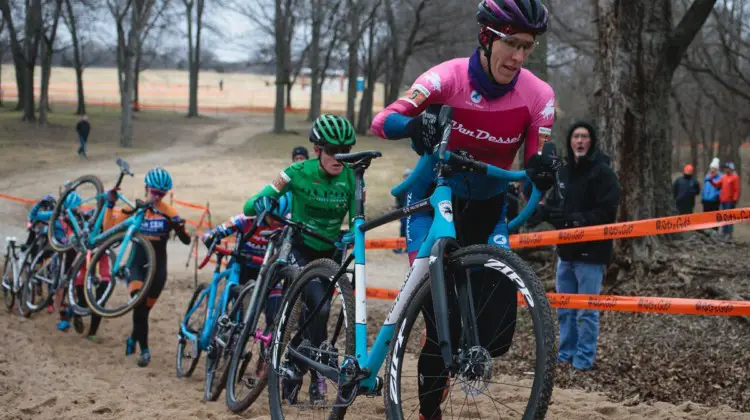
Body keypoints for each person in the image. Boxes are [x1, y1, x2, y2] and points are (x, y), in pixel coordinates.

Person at [370, 1, 559, 418]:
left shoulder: (538, 95)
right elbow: (382, 121)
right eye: (511, 43)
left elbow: (533, 160)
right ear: (486, 38)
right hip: (432, 202)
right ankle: (426, 411)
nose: (519, 57)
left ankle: (461, 360)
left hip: (490, 207)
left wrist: (545, 171)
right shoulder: (446, 77)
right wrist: (414, 124)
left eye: (527, 46)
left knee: (497, 325)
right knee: (443, 320)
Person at [243, 114, 358, 405]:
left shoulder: (352, 176)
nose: (339, 157)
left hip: (331, 251)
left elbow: (359, 217)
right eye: (333, 150)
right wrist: (263, 202)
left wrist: (354, 232)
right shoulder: (295, 171)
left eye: (346, 150)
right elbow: (250, 205)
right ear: (318, 149)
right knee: (318, 312)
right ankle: (301, 367)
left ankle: (295, 368)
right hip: (301, 246)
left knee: (316, 315)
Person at [530, 121, 620, 371]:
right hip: (565, 252)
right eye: (575, 136)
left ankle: (583, 359)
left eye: (584, 136)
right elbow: (558, 206)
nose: (580, 141)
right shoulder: (564, 172)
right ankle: (566, 354)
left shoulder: (604, 173)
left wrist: (577, 220)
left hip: (592, 253)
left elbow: (607, 210)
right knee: (564, 308)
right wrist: (544, 213)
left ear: (591, 141)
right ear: (570, 142)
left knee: (587, 311)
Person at [103, 167, 191, 367]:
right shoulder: (136, 208)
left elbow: (186, 240)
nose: (157, 197)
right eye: (154, 192)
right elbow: (108, 229)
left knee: (143, 311)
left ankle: (133, 339)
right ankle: (144, 350)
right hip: (136, 263)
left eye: (162, 194)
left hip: (158, 267)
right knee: (138, 304)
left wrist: (179, 228)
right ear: (146, 188)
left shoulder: (169, 212)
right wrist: (110, 204)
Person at [201, 192, 292, 330]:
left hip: (266, 268)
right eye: (271, 218)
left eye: (279, 219)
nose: (274, 223)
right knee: (238, 310)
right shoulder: (246, 219)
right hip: (241, 265)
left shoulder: (286, 224)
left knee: (275, 308)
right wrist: (211, 237)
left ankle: (269, 344)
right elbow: (218, 230)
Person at [709, 162, 741, 240]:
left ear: (731, 169)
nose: (725, 169)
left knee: (729, 218)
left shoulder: (735, 177)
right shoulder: (724, 177)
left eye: (727, 168)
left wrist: (735, 199)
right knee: (723, 217)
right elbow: (717, 185)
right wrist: (711, 181)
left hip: (730, 201)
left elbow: (736, 190)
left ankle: (729, 233)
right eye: (725, 168)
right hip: (723, 200)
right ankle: (723, 232)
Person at [393, 168, 412, 254]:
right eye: (406, 176)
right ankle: (400, 248)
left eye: (408, 176)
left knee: (410, 231)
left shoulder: (413, 187)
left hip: (412, 213)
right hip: (403, 213)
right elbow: (397, 200)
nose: (407, 177)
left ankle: (409, 248)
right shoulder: (401, 188)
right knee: (403, 231)